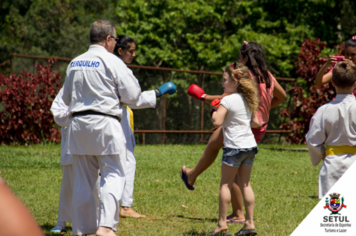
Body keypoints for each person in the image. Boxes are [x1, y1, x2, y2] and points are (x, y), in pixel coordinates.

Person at [181, 41, 286, 224]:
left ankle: (237, 213)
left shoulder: (246, 77)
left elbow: (226, 99)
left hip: (243, 126)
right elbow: (282, 96)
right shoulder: (268, 76)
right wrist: (265, 109)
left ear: (245, 58)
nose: (238, 60)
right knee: (216, 145)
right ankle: (192, 175)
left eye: (240, 57)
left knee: (234, 166)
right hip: (259, 126)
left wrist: (204, 97)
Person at [62, 20, 141, 236]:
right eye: (115, 40)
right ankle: (105, 227)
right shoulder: (112, 62)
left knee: (83, 181)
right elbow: (133, 95)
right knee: (114, 174)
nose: (116, 45)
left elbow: (66, 98)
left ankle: (83, 229)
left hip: (78, 126)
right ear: (108, 39)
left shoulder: (75, 63)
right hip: (105, 123)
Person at [113, 35, 177, 218]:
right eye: (131, 51)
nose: (134, 55)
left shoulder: (102, 65)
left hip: (95, 122)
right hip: (115, 120)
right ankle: (125, 206)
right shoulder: (120, 69)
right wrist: (158, 92)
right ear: (120, 50)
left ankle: (101, 206)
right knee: (127, 160)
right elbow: (132, 98)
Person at [209, 63, 259, 235]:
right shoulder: (248, 99)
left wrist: (214, 110)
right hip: (250, 146)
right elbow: (256, 123)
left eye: (224, 80)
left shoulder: (227, 100)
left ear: (235, 82)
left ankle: (221, 224)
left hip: (233, 148)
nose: (222, 84)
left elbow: (217, 122)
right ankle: (250, 224)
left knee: (225, 184)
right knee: (246, 184)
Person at [306, 60, 356, 199]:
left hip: (332, 166)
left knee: (334, 214)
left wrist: (322, 154)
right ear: (355, 84)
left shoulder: (324, 110)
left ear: (332, 83)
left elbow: (313, 140)